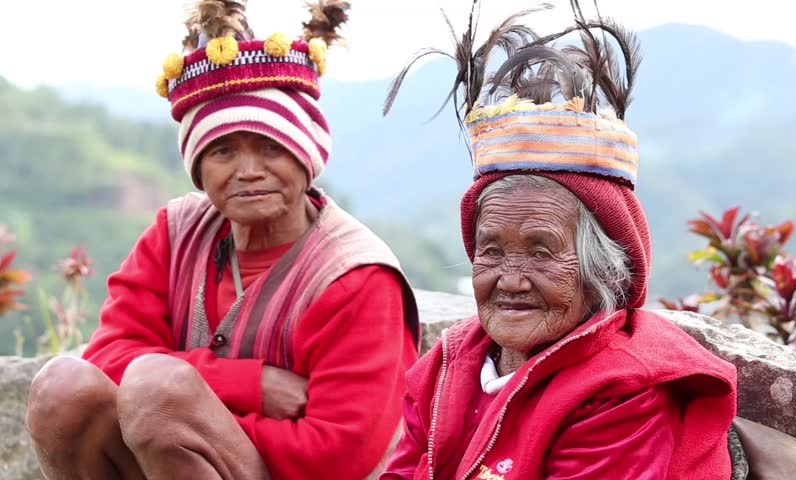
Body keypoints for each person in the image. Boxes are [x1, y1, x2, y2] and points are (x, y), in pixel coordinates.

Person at [25, 1, 419, 479]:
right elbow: (109, 354)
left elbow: (337, 453)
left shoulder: (355, 277)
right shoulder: (174, 234)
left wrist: (194, 418)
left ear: (306, 154)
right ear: (198, 167)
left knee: (157, 392)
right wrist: (250, 385)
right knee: (61, 387)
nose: (248, 172)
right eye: (223, 151)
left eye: (272, 146)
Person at [380, 2, 737, 479]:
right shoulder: (449, 364)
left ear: (603, 270)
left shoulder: (621, 393)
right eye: (491, 251)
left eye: (541, 253)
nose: (510, 280)